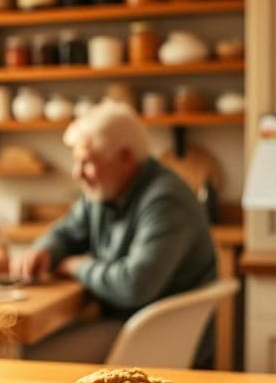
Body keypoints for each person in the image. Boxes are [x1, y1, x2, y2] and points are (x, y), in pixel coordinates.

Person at [18, 101, 217, 367]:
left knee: (26, 358)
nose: (77, 173)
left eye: (87, 162)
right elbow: (67, 231)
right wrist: (45, 249)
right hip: (126, 321)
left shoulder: (166, 201)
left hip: (154, 335)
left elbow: (134, 285)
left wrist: (79, 266)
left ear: (125, 158)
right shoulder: (105, 189)